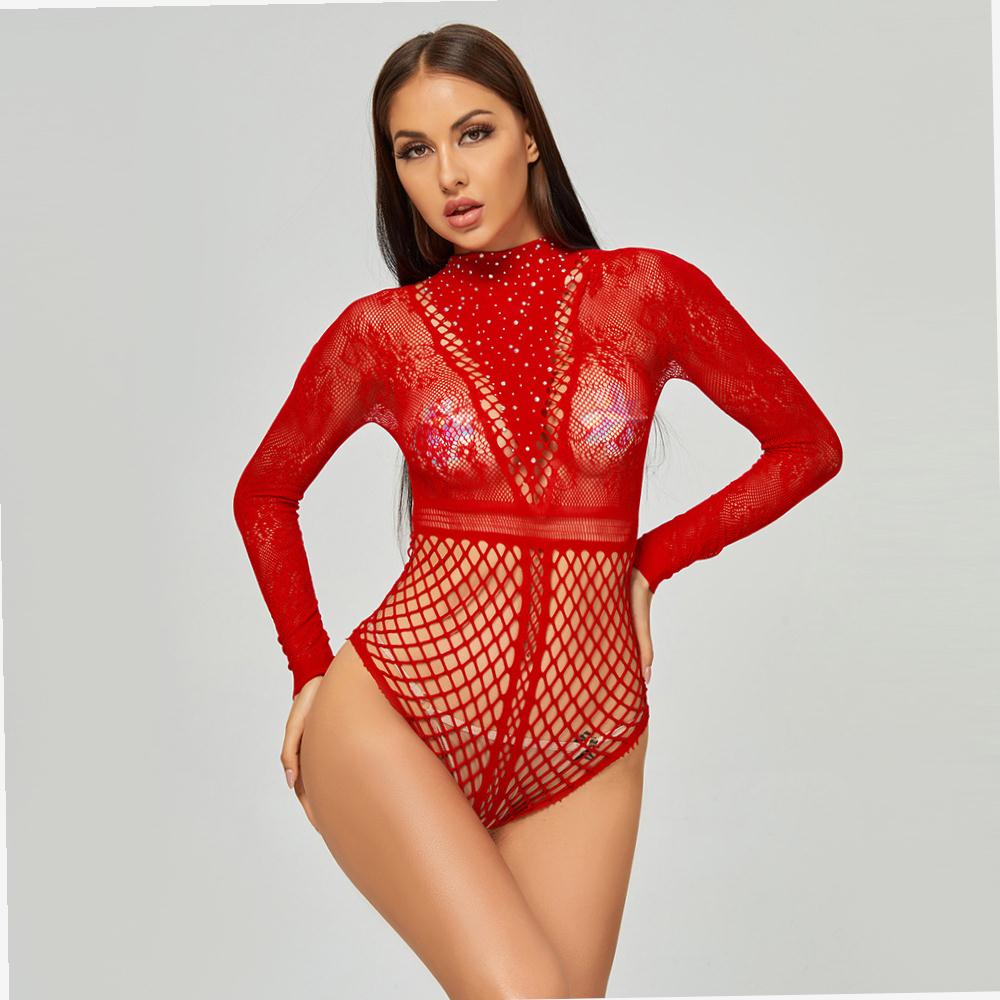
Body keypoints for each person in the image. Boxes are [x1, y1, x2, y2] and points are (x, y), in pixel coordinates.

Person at [232, 22, 843, 1000]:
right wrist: (309, 669)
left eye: (472, 133)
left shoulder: (646, 292)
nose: (448, 175)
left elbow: (807, 446)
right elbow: (265, 492)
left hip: (588, 735)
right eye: (414, 150)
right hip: (397, 714)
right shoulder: (380, 333)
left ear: (528, 135)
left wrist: (650, 561)